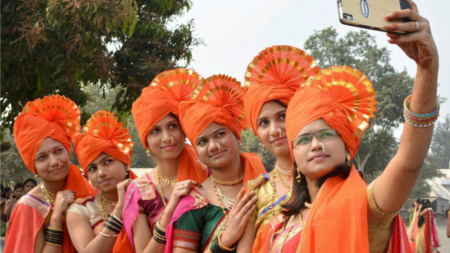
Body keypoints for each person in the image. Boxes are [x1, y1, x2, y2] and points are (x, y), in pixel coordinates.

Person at [260, 1, 439, 252]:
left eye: (326, 134)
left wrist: (427, 67)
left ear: (346, 147)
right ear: (294, 156)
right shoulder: (278, 219)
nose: (316, 144)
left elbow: (409, 161)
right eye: (303, 139)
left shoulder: (367, 207)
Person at [164, 74, 267, 253]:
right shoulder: (193, 203)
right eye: (203, 141)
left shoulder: (268, 185)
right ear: (196, 151)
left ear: (237, 136)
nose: (213, 146)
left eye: (220, 134)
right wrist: (224, 241)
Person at [242, 45, 320, 251]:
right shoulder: (255, 194)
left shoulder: (328, 178)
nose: (275, 130)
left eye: (282, 117)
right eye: (264, 123)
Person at [123, 68, 209, 253]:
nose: (167, 137)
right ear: (145, 140)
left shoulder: (208, 174)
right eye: (156, 130)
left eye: (172, 126)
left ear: (183, 130)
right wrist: (170, 210)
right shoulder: (139, 191)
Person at [4, 94, 95, 253]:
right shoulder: (29, 207)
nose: (54, 161)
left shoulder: (91, 192)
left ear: (68, 152)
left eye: (58, 151)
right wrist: (55, 218)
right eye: (42, 157)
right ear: (34, 168)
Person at [66, 111, 138, 253]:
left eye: (108, 161)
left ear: (125, 163)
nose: (101, 173)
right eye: (92, 168)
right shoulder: (80, 211)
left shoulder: (149, 197)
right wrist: (119, 210)